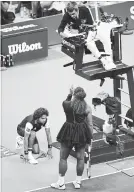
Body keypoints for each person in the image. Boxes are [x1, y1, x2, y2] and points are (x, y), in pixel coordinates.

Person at [51, 86, 93, 189]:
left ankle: (60, 183)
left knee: (63, 157)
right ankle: (78, 182)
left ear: (74, 95)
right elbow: (90, 124)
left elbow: (66, 100)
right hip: (81, 133)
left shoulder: (67, 105)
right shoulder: (87, 107)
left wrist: (70, 94)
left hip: (68, 132)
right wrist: (90, 138)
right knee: (80, 158)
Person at [58, 1, 119, 71]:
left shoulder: (85, 10)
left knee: (104, 36)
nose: (72, 16)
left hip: (89, 32)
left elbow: (91, 24)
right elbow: (60, 28)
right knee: (89, 42)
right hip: (80, 37)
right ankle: (103, 61)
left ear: (77, 10)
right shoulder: (67, 15)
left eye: (73, 14)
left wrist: (78, 31)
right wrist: (61, 33)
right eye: (70, 14)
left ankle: (109, 59)